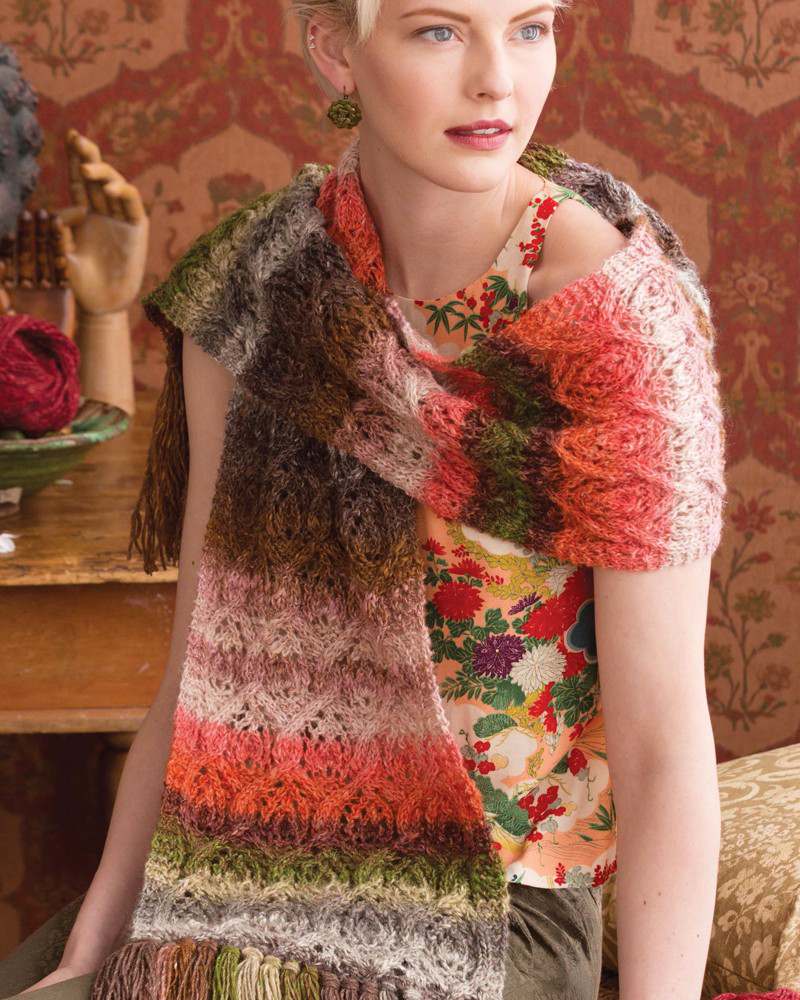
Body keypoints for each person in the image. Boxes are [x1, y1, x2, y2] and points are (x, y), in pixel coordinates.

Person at [0, 2, 727, 1000]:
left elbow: (663, 748)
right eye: (439, 31)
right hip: (240, 870)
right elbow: (197, 680)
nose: (497, 79)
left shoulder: (616, 325)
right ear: (335, 48)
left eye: (529, 27)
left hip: (496, 905)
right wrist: (89, 951)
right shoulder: (260, 286)